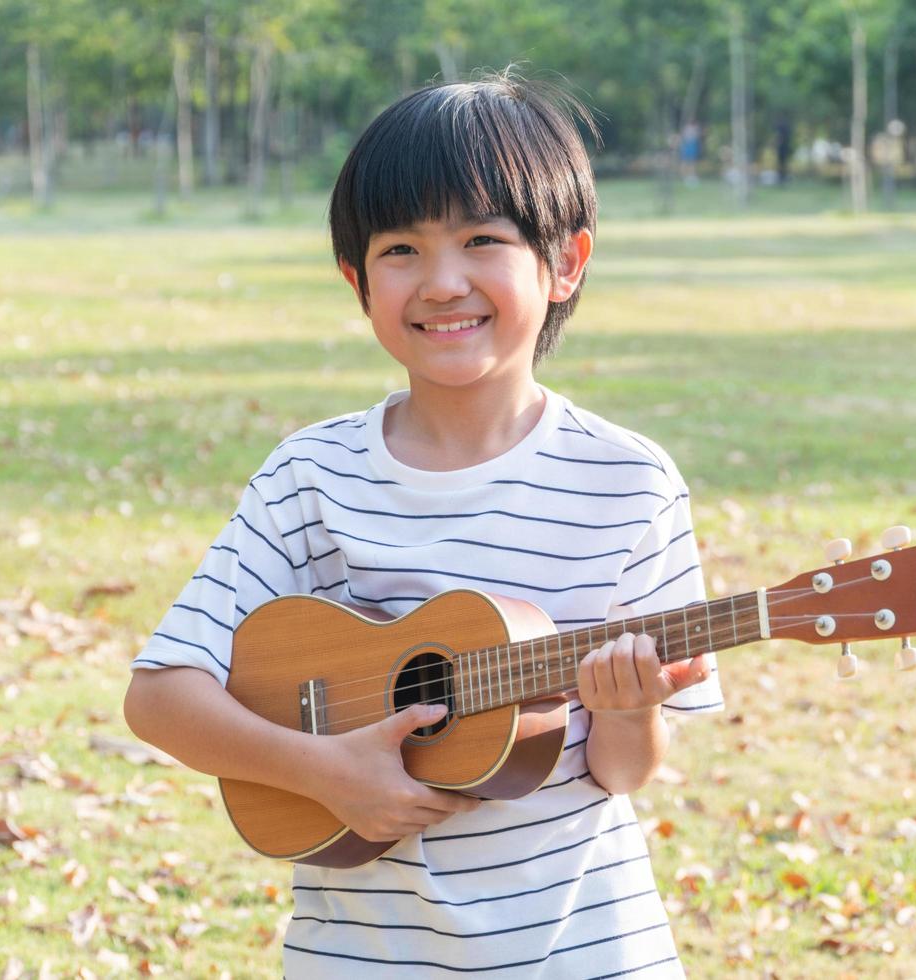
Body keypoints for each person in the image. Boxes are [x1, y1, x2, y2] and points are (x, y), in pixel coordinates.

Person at [123, 72, 724, 978]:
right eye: (402, 248)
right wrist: (321, 772)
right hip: (361, 955)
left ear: (565, 263)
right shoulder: (311, 477)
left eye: (484, 239)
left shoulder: (628, 483)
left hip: (582, 949)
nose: (444, 283)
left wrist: (630, 708)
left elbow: (624, 771)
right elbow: (160, 694)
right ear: (357, 280)